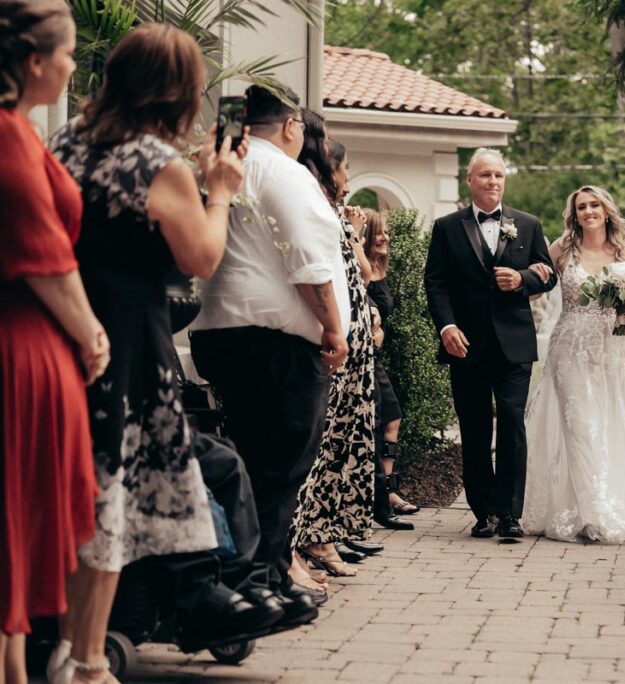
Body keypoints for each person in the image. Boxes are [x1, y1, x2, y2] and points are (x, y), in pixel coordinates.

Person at [47, 23, 249, 682]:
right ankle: (83, 661)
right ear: (182, 93)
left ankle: (72, 650)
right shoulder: (153, 163)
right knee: (113, 502)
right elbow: (202, 256)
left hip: (64, 331)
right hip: (129, 346)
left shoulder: (66, 142)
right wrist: (219, 189)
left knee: (78, 501)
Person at [190, 84, 349, 614]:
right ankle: (259, 578)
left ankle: (263, 573)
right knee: (279, 465)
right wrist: (333, 328)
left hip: (218, 331)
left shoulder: (219, 165)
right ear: (289, 127)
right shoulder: (283, 172)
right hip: (274, 344)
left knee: (253, 459)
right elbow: (308, 262)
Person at [0, 2, 107, 681]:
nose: (73, 66)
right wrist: (90, 332)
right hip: (21, 348)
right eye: (66, 53)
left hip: (34, 349)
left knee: (14, 535)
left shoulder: (23, 133)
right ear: (36, 61)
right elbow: (43, 255)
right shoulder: (9, 137)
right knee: (10, 528)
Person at [520, 186, 625, 543]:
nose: (588, 211)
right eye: (581, 207)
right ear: (574, 215)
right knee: (580, 427)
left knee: (609, 424)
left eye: (594, 205)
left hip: (612, 349)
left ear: (607, 211)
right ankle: (590, 515)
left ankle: (612, 502)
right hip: (570, 348)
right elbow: (535, 287)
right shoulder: (561, 250)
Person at [423, 148, 558, 539]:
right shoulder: (447, 227)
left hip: (514, 344)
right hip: (465, 345)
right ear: (470, 180)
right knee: (475, 428)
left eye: (498, 175)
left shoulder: (528, 224)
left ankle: (510, 514)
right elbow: (436, 283)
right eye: (485, 175)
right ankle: (483, 513)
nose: (493, 182)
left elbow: (548, 275)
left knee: (513, 424)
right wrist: (446, 327)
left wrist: (522, 280)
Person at [290, 112, 378, 583]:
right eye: (342, 165)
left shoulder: (333, 207)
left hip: (355, 339)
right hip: (333, 343)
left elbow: (359, 273)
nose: (345, 175)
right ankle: (307, 539)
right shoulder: (311, 200)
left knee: (343, 444)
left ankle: (325, 533)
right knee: (323, 445)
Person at [364, 210, 421, 518]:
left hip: (375, 353)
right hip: (363, 355)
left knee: (391, 418)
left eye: (386, 232)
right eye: (379, 232)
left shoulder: (379, 269)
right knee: (379, 421)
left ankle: (388, 489)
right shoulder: (361, 270)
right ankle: (380, 496)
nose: (385, 237)